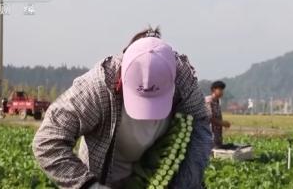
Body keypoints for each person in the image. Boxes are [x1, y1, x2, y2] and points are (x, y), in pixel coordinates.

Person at [32, 27, 212, 189]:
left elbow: (200, 126)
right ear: (120, 81)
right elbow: (47, 142)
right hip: (104, 176)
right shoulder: (98, 86)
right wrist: (89, 185)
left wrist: (184, 183)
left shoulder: (183, 80)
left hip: (157, 176)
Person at [205, 81, 231, 148]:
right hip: (209, 133)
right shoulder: (208, 101)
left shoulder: (217, 101)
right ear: (214, 90)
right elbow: (209, 117)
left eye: (222, 90)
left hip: (217, 134)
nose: (222, 92)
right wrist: (222, 123)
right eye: (220, 89)